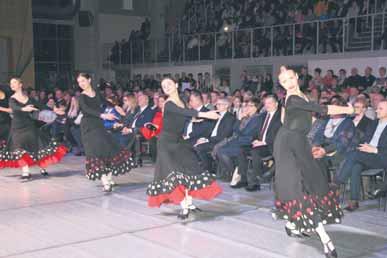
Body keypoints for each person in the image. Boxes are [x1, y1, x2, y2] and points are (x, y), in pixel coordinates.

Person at [273, 66, 354, 258]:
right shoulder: (292, 98)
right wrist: (347, 109)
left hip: (298, 141)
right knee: (296, 187)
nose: (289, 83)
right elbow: (322, 109)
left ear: (297, 77)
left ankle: (292, 223)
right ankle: (326, 241)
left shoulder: (300, 97)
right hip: (287, 144)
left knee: (309, 183)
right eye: (284, 81)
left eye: (291, 78)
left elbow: (289, 119)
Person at [146, 77, 222, 219]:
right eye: (163, 86)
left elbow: (182, 116)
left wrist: (193, 119)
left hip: (178, 141)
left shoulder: (181, 102)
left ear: (176, 84)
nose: (166, 87)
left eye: (169, 84)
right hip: (166, 143)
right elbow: (184, 113)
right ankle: (184, 205)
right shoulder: (168, 103)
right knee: (172, 174)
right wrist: (204, 114)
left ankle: (189, 202)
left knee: (188, 168)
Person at [77, 73, 135, 192]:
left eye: (83, 80)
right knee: (95, 152)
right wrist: (102, 115)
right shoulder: (81, 97)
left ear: (89, 80)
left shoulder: (97, 93)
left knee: (106, 149)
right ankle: (105, 181)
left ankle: (108, 177)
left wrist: (117, 107)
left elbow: (107, 102)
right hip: (88, 127)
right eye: (79, 82)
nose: (81, 84)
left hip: (99, 125)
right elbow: (86, 110)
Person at [0, 78, 68, 179]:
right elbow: (14, 107)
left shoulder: (29, 99)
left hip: (30, 126)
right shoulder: (12, 99)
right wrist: (24, 108)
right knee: (19, 149)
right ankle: (26, 172)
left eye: (14, 83)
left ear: (20, 84)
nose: (12, 85)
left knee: (36, 147)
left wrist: (55, 110)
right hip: (17, 128)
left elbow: (41, 106)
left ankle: (42, 167)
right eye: (11, 83)